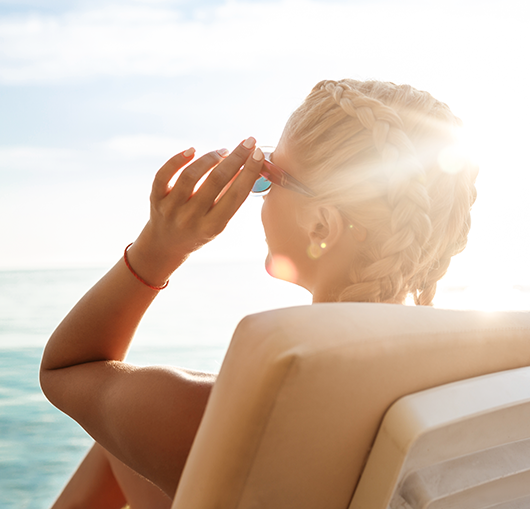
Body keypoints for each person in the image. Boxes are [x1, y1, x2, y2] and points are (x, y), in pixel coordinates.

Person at [40, 79, 478, 508]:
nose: (258, 198)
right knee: (118, 437)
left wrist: (160, 248)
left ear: (321, 226)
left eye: (268, 179)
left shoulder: (235, 416)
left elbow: (68, 370)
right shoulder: (467, 379)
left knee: (122, 428)